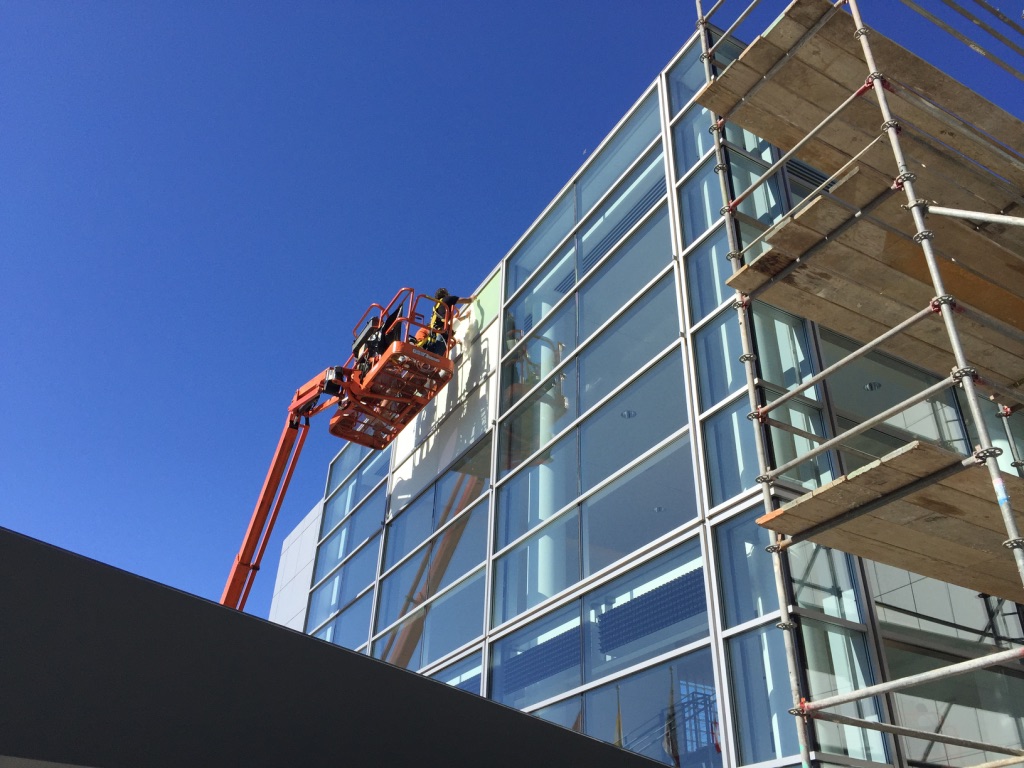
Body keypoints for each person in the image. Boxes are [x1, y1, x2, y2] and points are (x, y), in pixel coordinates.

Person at [414, 288, 469, 355]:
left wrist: (465, 317)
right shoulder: (425, 330)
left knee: (445, 332)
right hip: (425, 350)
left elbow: (451, 322)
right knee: (444, 333)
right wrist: (471, 299)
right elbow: (419, 342)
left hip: (432, 348)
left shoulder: (436, 308)